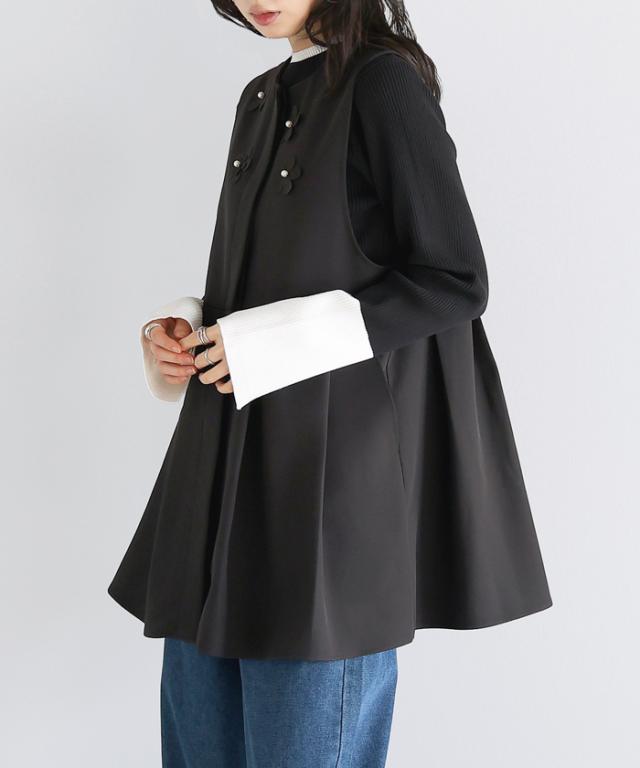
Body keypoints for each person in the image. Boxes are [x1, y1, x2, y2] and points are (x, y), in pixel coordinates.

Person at [108, 1, 553, 765]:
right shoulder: (258, 98)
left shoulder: (383, 83)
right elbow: (255, 275)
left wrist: (269, 343)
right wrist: (186, 329)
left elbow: (455, 280)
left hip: (329, 499)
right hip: (220, 491)